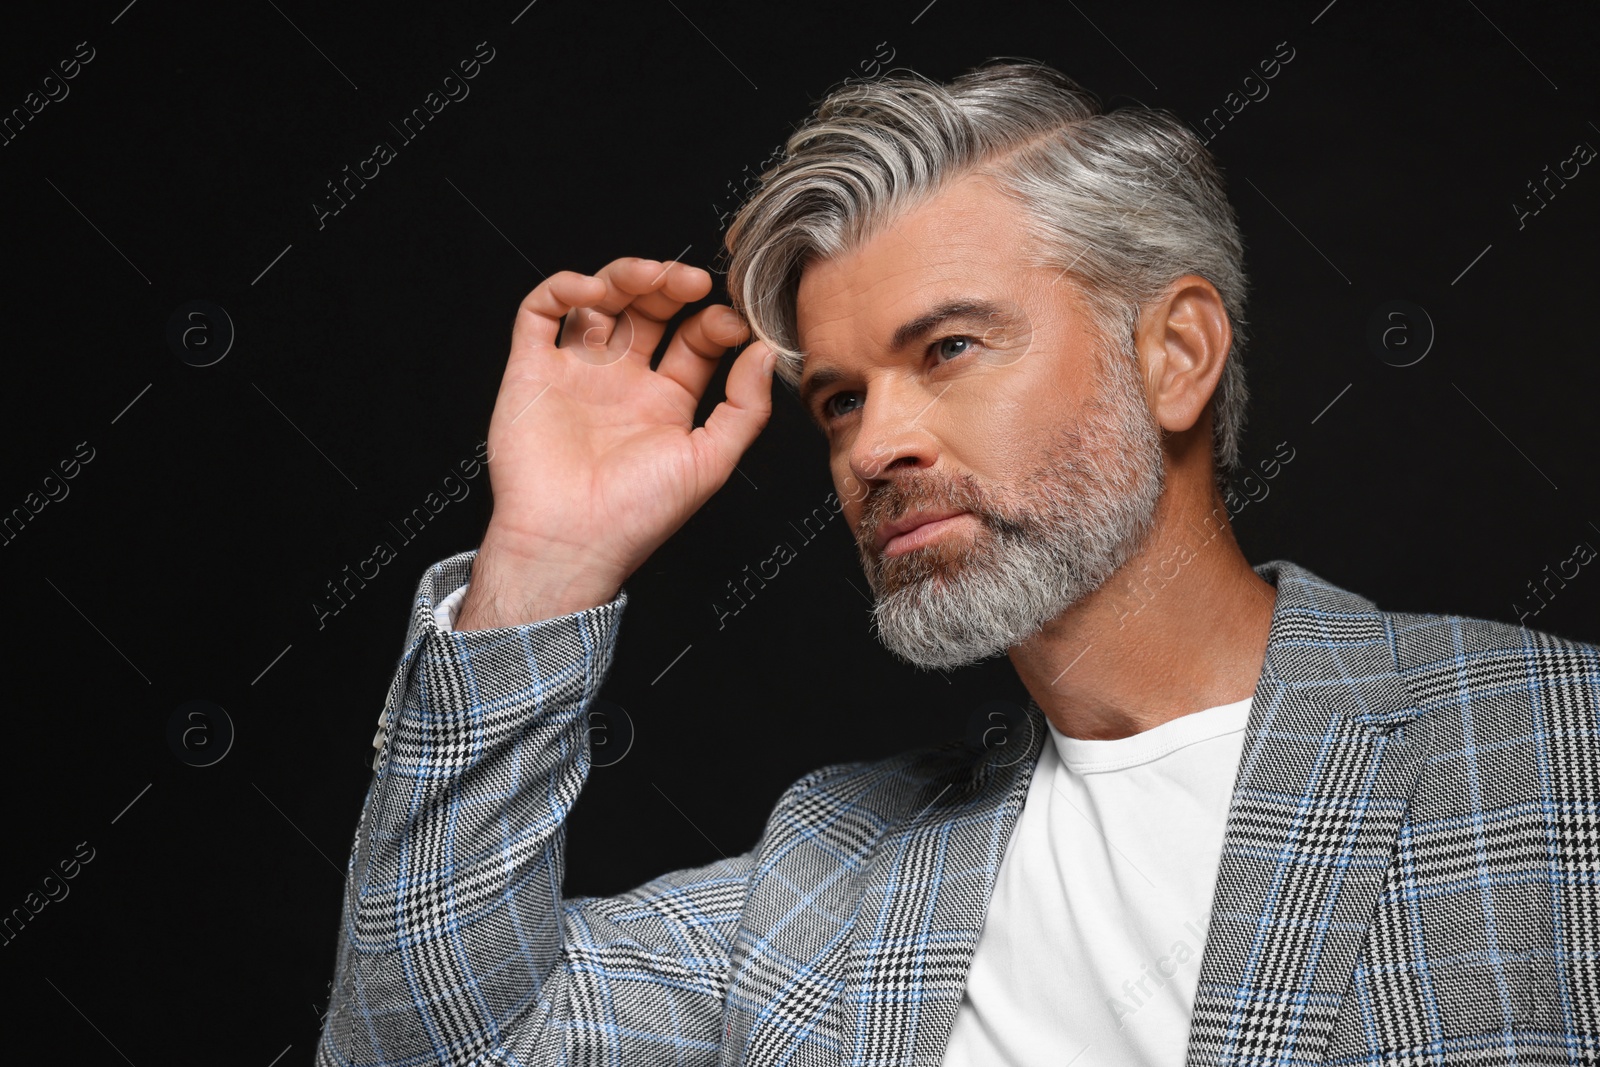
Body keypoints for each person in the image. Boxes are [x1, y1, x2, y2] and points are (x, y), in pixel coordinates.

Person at [314, 61, 1599, 1067]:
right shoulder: (830, 876)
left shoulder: (1553, 745)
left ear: (1176, 354)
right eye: (834, 401)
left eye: (948, 350)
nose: (875, 444)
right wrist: (546, 561)